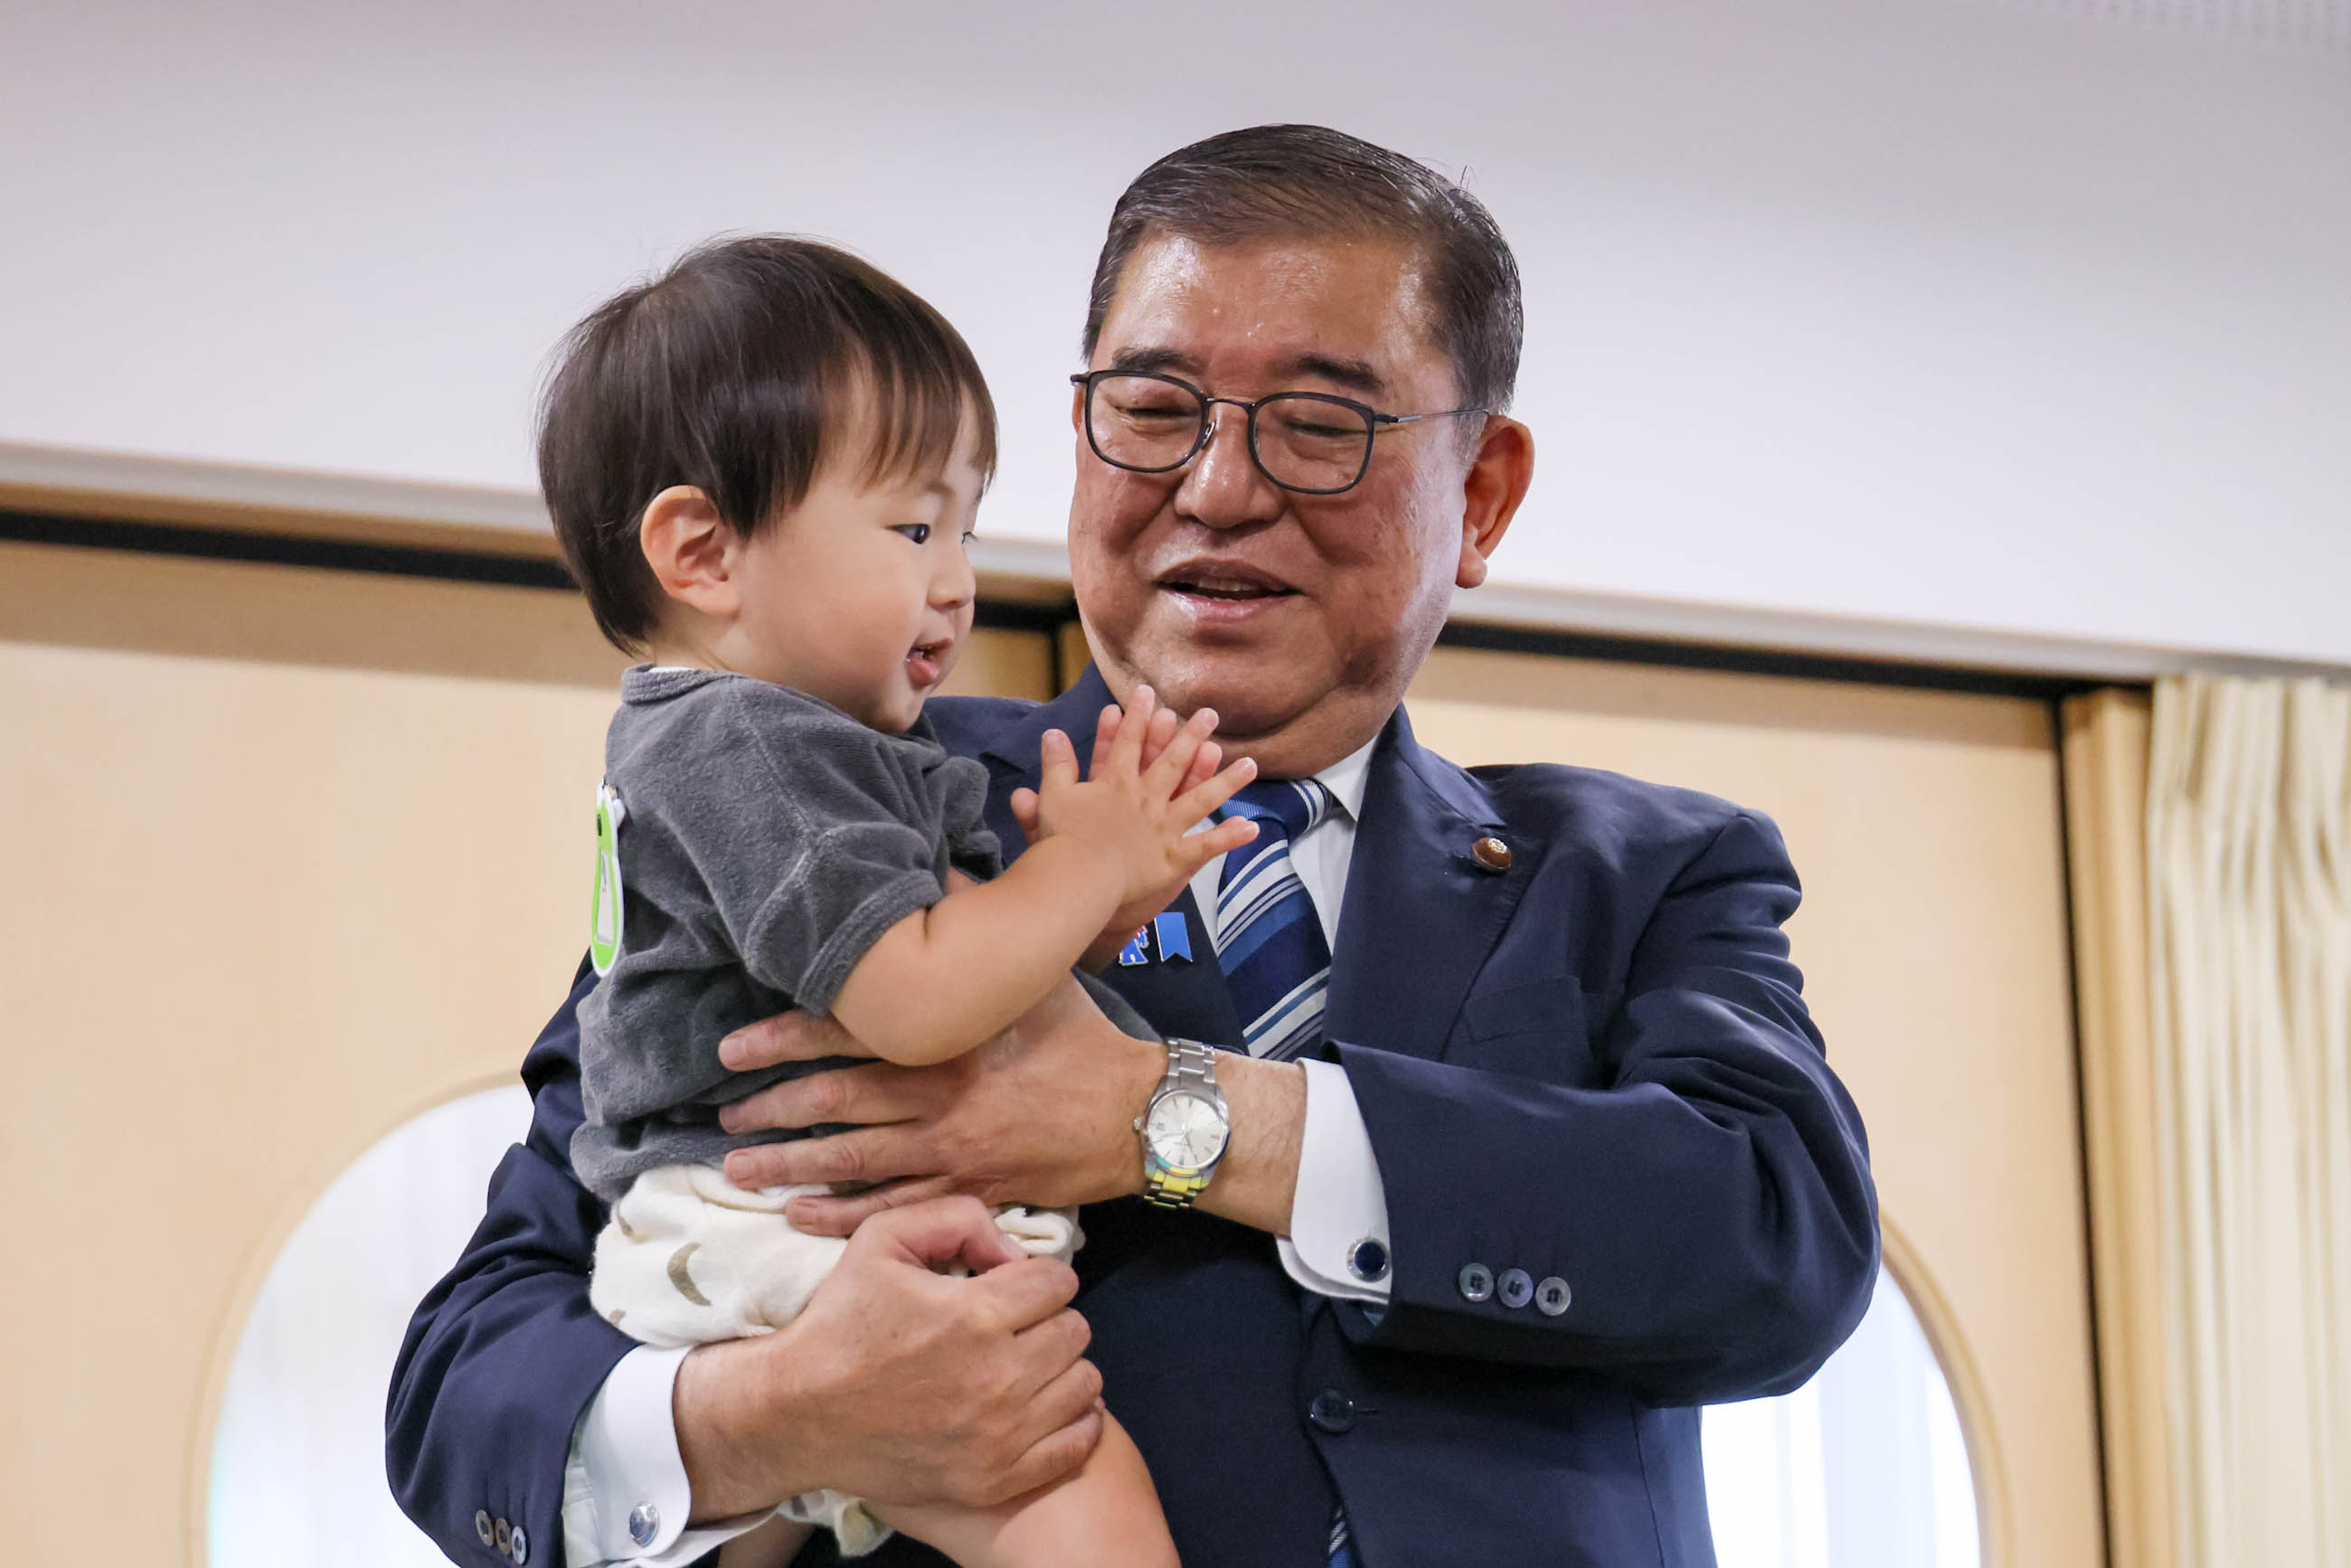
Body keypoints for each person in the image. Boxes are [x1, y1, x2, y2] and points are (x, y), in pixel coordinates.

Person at [390, 124, 1879, 1568]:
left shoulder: (1644, 873)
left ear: (1479, 494)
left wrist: (1185, 1120)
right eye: (1154, 410)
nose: (1218, 488)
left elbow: (1777, 1234)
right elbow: (470, 1382)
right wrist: (780, 1413)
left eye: (1317, 422)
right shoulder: (844, 802)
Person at [536, 236, 1264, 1565]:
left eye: (968, 528)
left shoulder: (754, 743)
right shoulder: (754, 743)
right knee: (1068, 1478)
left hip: (740, 1238)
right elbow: (919, 996)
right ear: (703, 549)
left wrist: (1085, 916)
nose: (958, 578)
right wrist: (1079, 866)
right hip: (785, 1229)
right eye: (914, 526)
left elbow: (919, 970)